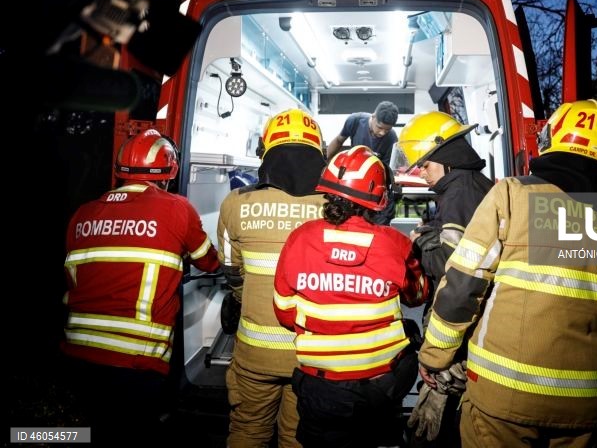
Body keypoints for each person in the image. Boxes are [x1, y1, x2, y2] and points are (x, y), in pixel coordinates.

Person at [417, 99, 597, 447]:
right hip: (585, 400)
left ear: (551, 139)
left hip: (505, 395)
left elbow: (462, 287)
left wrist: (434, 355)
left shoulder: (513, 194)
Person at [61, 128, 219, 445]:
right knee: (131, 433)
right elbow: (209, 262)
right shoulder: (176, 208)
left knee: (94, 429)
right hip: (136, 357)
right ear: (168, 174)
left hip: (78, 352)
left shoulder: (83, 213)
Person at [273, 145, 430, 448]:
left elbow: (285, 313)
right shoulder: (394, 244)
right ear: (378, 199)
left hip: (318, 388)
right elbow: (418, 295)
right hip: (379, 388)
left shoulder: (300, 238)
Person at [217, 108, 328, 448]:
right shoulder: (335, 207)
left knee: (248, 432)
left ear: (265, 151)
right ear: (319, 153)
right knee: (298, 437)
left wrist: (241, 296)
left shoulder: (236, 204)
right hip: (311, 356)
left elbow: (231, 270)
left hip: (254, 354)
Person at [393, 111, 494, 445]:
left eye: (425, 165)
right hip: (467, 330)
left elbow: (453, 266)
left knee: (435, 432)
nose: (421, 173)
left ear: (445, 156)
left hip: (457, 335)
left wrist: (418, 245)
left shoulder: (460, 192)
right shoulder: (470, 185)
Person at [326, 100, 400, 225]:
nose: (382, 133)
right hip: (352, 177)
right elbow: (339, 141)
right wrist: (327, 163)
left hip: (373, 182)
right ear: (373, 116)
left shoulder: (391, 138)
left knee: (378, 221)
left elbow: (387, 173)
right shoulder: (355, 121)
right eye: (380, 127)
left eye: (387, 130)